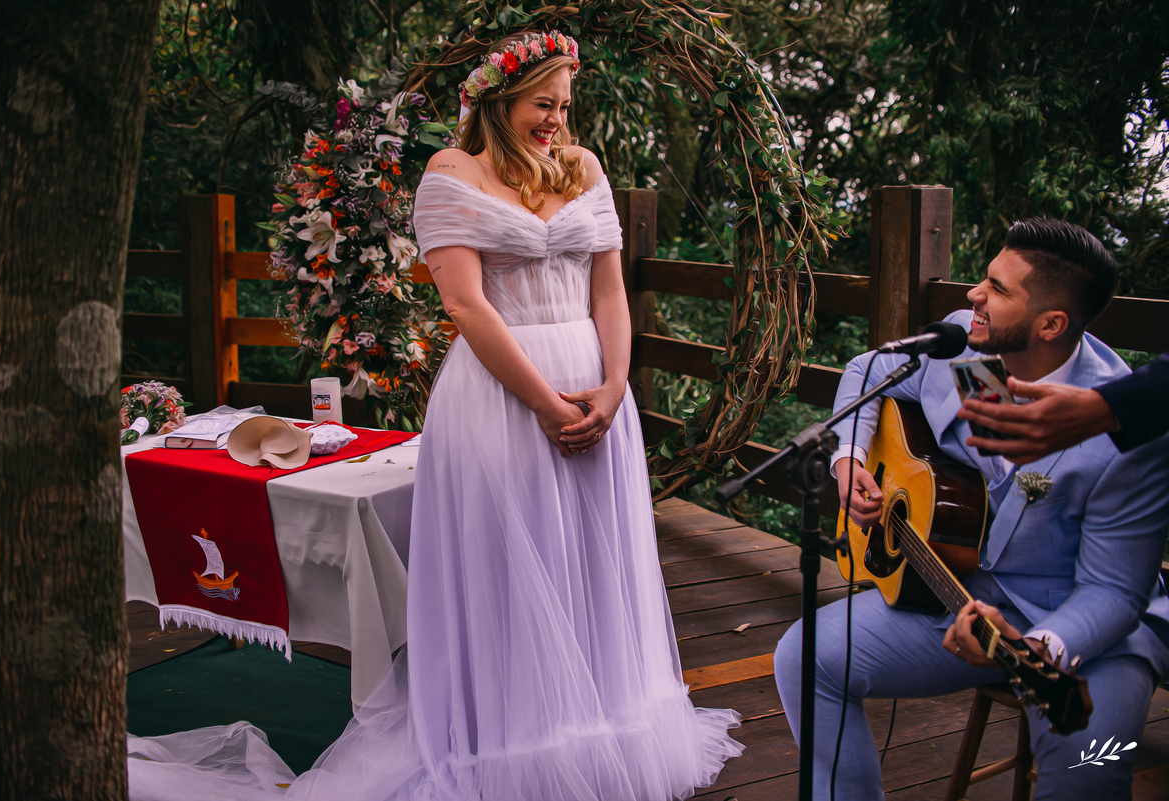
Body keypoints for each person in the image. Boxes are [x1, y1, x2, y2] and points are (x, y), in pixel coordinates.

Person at [126, 30, 742, 801]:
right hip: (501, 402)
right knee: (516, 568)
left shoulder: (584, 168)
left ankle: (605, 727)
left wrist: (616, 386)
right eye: (541, 105)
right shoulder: (452, 172)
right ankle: (511, 746)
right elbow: (464, 304)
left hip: (597, 395)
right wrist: (547, 403)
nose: (556, 121)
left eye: (563, 106)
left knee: (592, 557)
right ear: (498, 100)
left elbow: (610, 290)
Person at [774, 218, 1169, 800]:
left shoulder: (1122, 428)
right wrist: (848, 461)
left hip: (1082, 628)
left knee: (1088, 765)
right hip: (953, 588)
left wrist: (1045, 648)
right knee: (803, 658)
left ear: (1051, 324)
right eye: (985, 278)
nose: (972, 297)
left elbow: (1112, 591)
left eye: (998, 290)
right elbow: (868, 371)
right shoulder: (968, 345)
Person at [958, 353, 1169, 463]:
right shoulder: (958, 329)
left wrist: (1100, 407)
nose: (973, 292)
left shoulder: (1115, 455)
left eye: (999, 289)